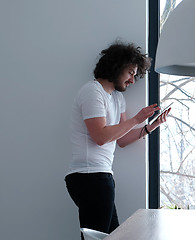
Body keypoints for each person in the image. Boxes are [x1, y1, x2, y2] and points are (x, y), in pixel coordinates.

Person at [65, 41, 170, 238]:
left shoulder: (116, 99)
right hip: (89, 176)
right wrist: (136, 119)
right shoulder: (92, 91)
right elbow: (101, 137)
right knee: (99, 237)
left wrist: (149, 127)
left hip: (102, 176)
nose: (132, 80)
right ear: (117, 66)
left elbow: (120, 140)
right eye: (131, 72)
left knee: (113, 236)